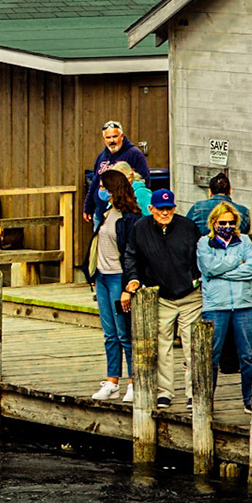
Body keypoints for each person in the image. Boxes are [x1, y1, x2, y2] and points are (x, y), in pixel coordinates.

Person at [119, 187, 202, 411]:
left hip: (190, 296)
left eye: (169, 208)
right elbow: (131, 256)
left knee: (192, 346)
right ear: (151, 208)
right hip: (161, 296)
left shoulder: (188, 227)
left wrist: (196, 278)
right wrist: (133, 279)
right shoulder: (140, 228)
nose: (165, 213)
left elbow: (200, 255)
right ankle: (164, 392)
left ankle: (194, 393)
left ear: (174, 208)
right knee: (162, 346)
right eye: (160, 209)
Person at [197, 200, 252, 411]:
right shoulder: (204, 243)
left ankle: (250, 400)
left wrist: (222, 272)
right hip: (216, 305)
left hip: (244, 304)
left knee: (247, 355)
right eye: (222, 222)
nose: (227, 226)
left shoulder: (244, 241)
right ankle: (206, 401)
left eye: (231, 222)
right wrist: (236, 263)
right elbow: (208, 268)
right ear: (214, 223)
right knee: (211, 356)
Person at [87, 168, 141, 400]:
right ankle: (112, 381)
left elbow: (132, 254)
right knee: (109, 333)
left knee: (124, 332)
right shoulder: (106, 212)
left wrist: (129, 286)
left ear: (113, 189)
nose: (100, 191)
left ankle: (133, 381)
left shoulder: (129, 218)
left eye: (103, 187)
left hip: (119, 279)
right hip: (102, 277)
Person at [83, 119, 151, 225]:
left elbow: (145, 180)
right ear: (104, 139)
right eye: (108, 137)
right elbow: (95, 183)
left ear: (122, 136)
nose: (112, 140)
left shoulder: (134, 154)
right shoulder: (101, 157)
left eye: (115, 136)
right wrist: (88, 206)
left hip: (122, 214)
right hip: (100, 212)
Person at [186, 172, 250, 234]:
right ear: (230, 190)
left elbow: (185, 227)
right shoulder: (243, 211)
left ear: (210, 191)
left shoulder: (197, 207)